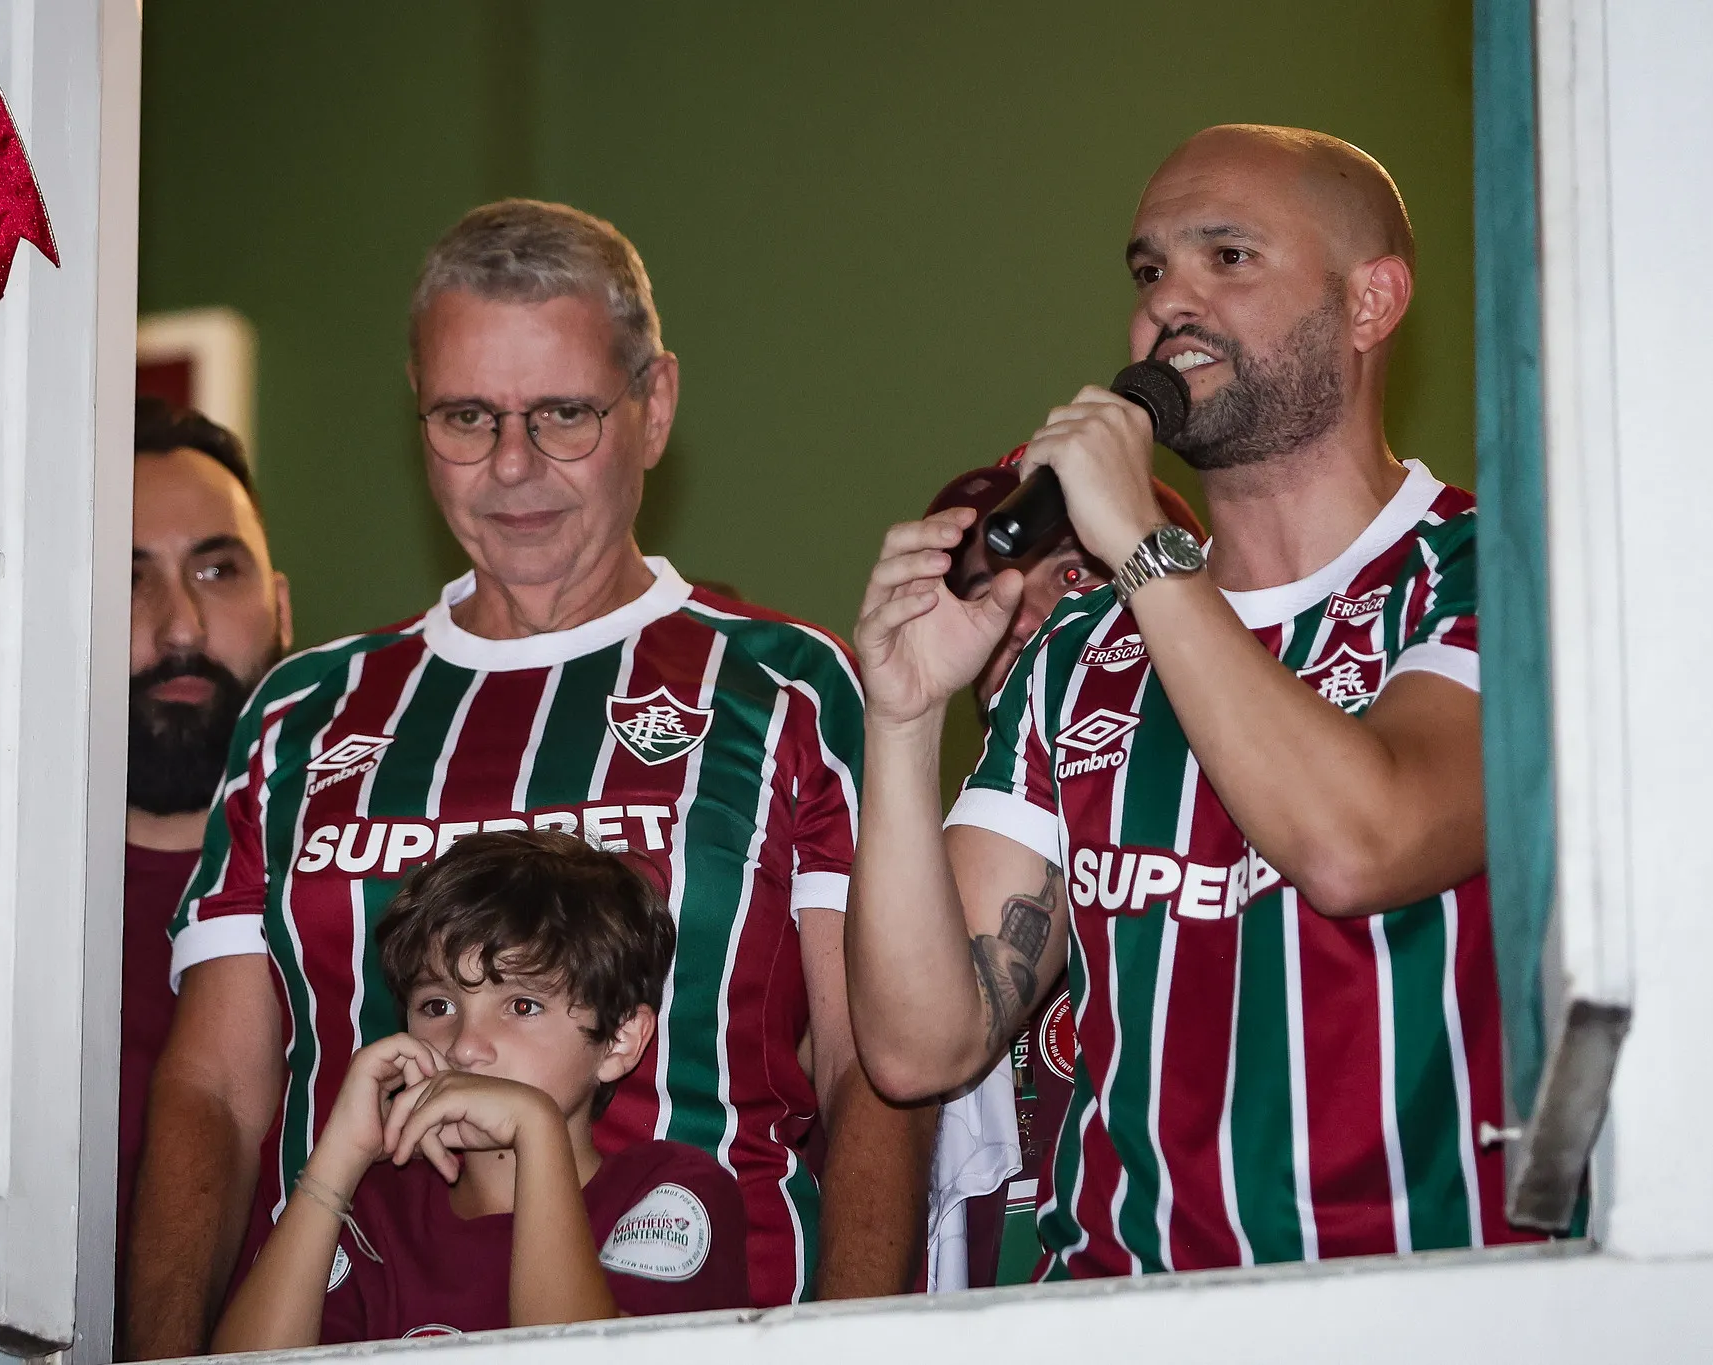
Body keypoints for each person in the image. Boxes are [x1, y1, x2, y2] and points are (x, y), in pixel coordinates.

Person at [126, 200, 931, 1359]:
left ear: (652, 407)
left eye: (561, 415)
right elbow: (211, 1091)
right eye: (466, 416)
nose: (513, 467)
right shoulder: (303, 713)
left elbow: (875, 1068)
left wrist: (856, 1348)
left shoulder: (789, 686)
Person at [849, 124, 1534, 1282]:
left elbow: (1358, 845)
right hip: (1118, 1313)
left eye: (1227, 258)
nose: (1171, 303)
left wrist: (1143, 551)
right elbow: (919, 1046)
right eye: (1148, 270)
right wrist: (904, 717)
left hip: (1428, 1304)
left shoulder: (1492, 572)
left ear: (1370, 302)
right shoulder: (1080, 652)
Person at [211, 830, 750, 1350]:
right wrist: (336, 1160)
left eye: (522, 1006)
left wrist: (536, 1129)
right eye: (437, 1007)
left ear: (618, 1041)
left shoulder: (669, 1194)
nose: (466, 1046)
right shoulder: (373, 1210)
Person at [920, 463, 1203, 1290]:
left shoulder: (1259, 824)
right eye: (988, 588)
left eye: (1075, 574)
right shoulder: (911, 880)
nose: (1030, 616)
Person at [121, 398, 290, 1299]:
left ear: (284, 608)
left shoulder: (372, 903)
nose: (180, 626)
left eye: (218, 569)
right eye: (127, 576)